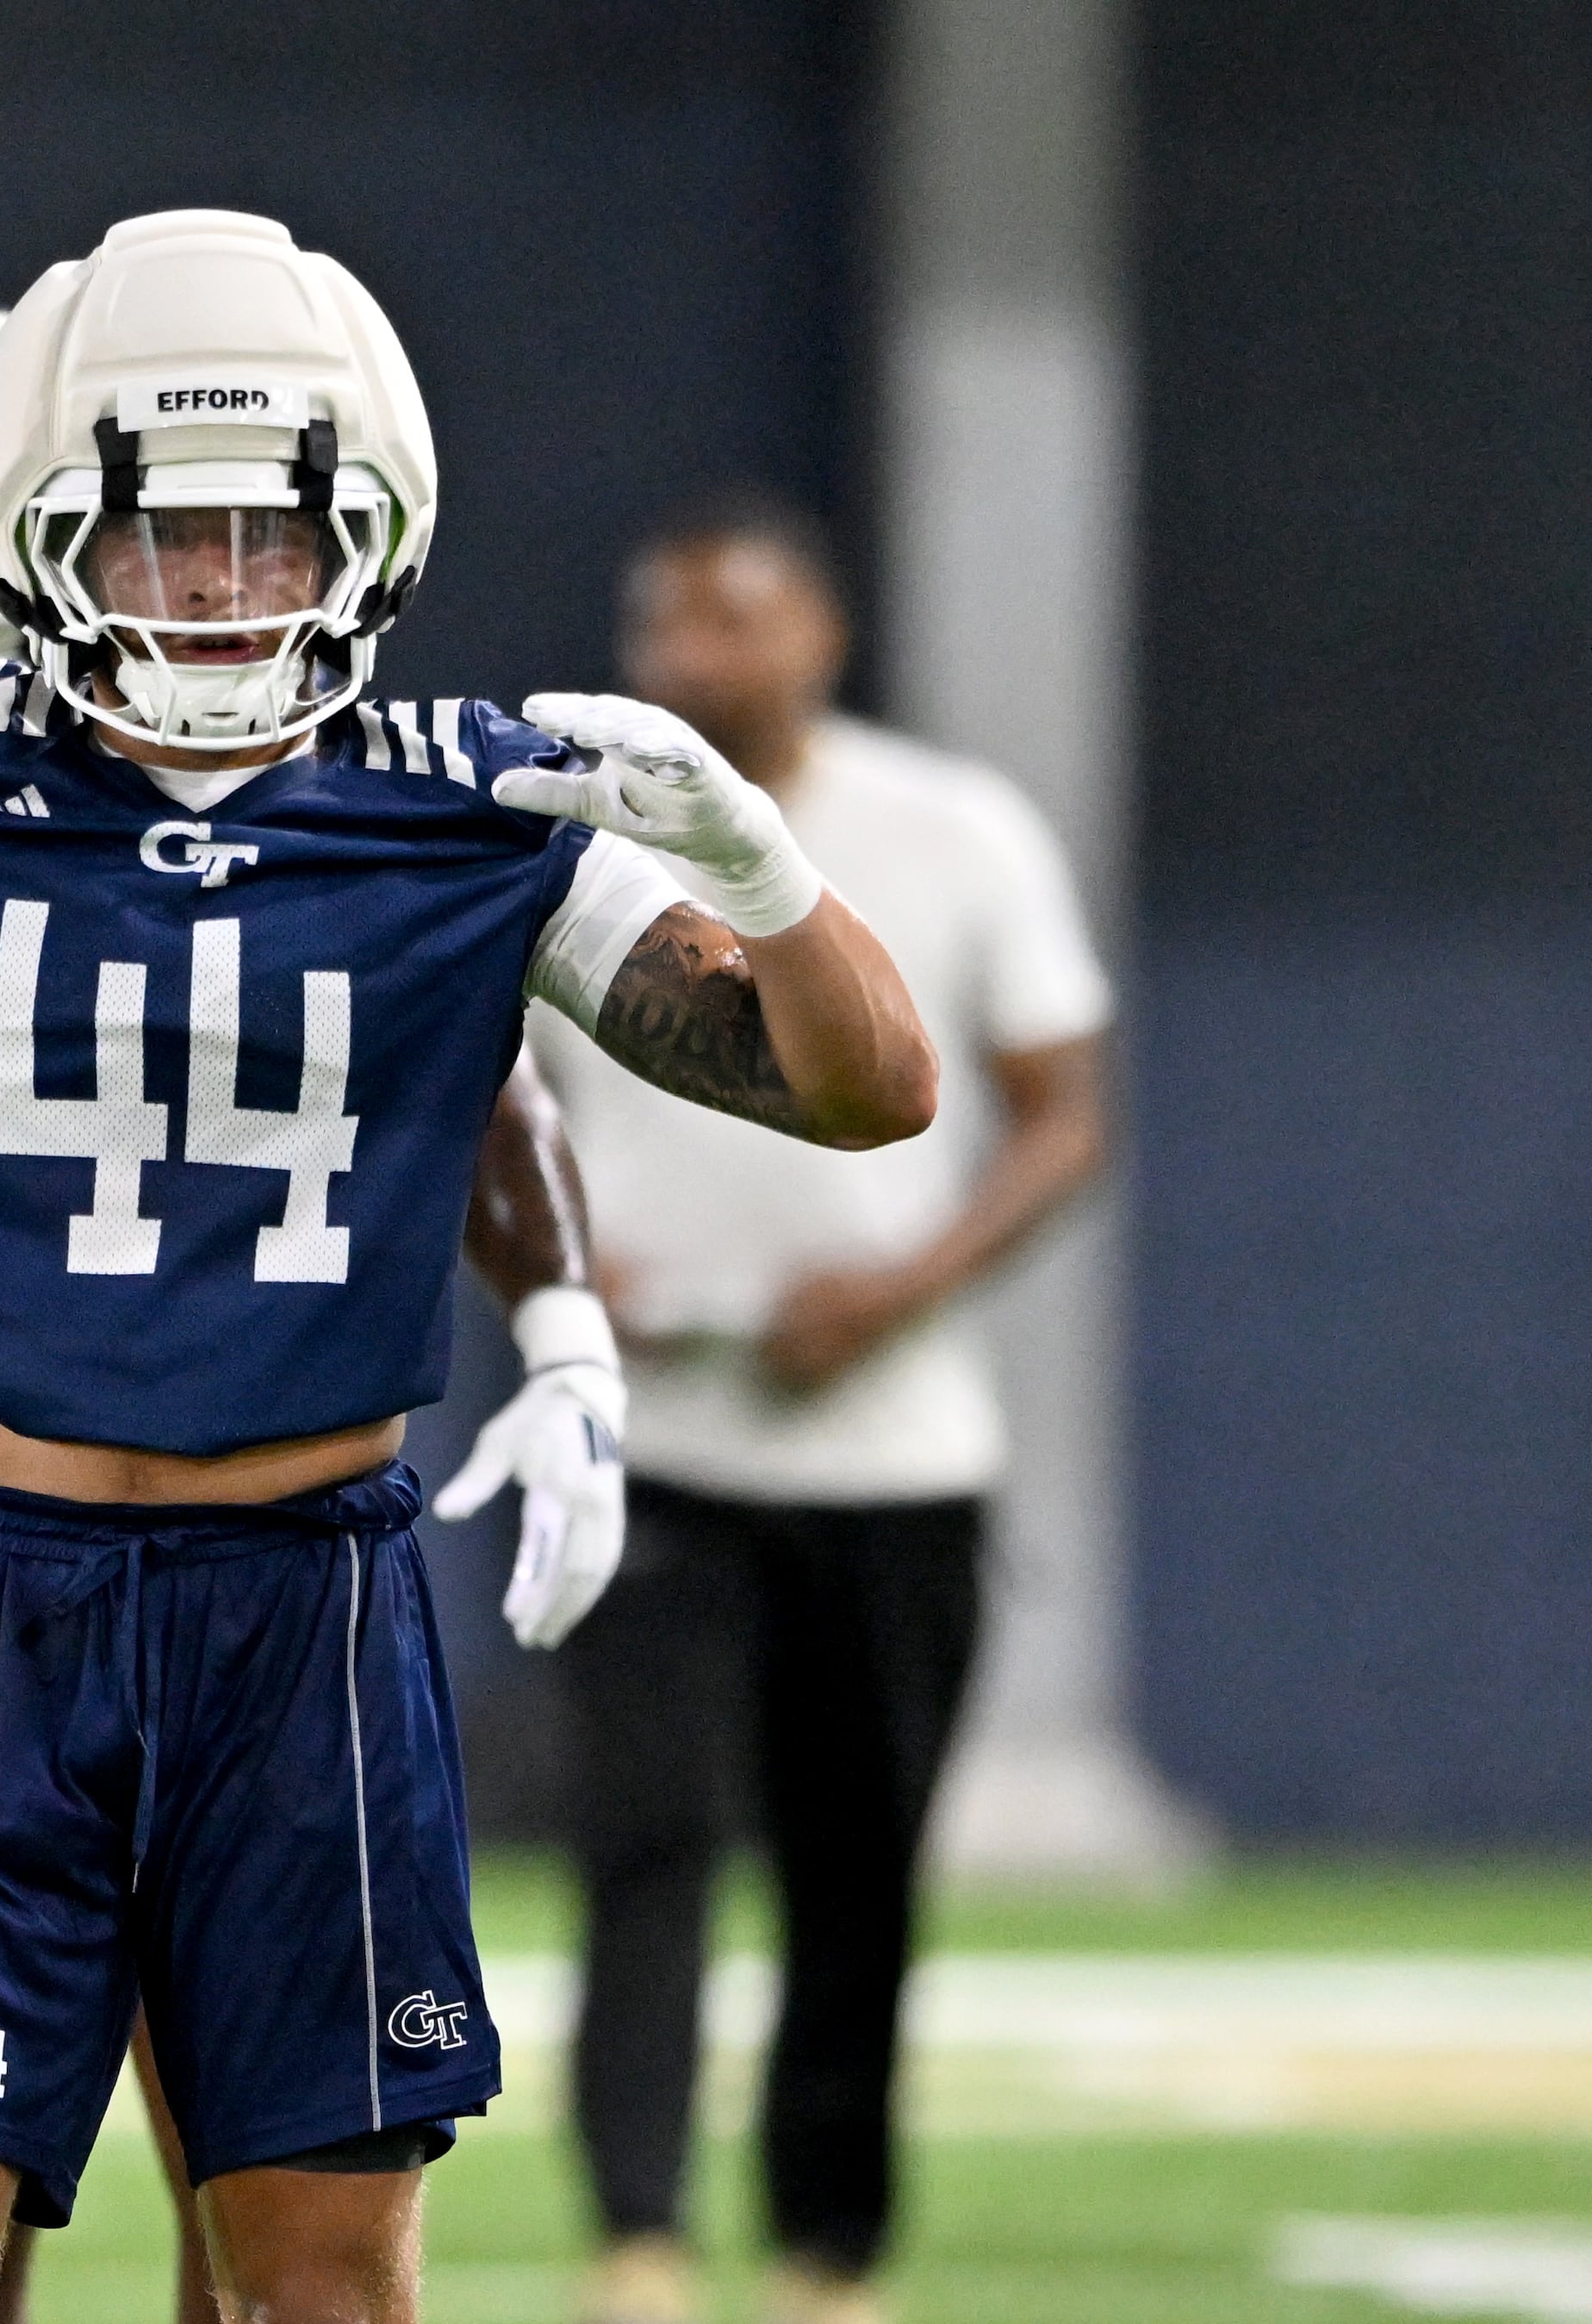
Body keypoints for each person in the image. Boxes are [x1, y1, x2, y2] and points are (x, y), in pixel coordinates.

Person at [0, 208, 939, 2324]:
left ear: (368, 535)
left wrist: (753, 862)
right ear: (47, 544)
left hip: (300, 1613)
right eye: (164, 538)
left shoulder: (466, 806)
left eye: (269, 533)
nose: (223, 584)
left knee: (311, 2291)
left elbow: (868, 1089)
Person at [524, 492, 1112, 2324]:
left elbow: (1060, 1105)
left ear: (821, 639)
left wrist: (898, 1290)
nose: (693, 661)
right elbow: (502, 1090)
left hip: (892, 1449)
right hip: (659, 1437)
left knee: (860, 1865)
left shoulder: (955, 827)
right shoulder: (570, 832)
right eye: (665, 626)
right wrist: (559, 1274)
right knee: (645, 1844)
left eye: (732, 624)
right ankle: (638, 2237)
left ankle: (825, 2254)